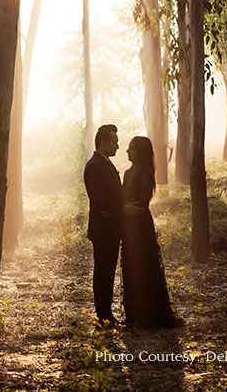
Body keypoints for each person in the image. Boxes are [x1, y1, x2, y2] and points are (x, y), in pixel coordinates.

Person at [120, 136, 183, 329]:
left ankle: (148, 314)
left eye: (131, 149)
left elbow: (141, 203)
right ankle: (134, 314)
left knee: (143, 266)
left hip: (139, 226)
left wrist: (125, 207)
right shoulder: (127, 173)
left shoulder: (145, 173)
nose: (127, 152)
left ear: (141, 152)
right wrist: (122, 207)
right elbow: (121, 198)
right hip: (127, 225)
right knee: (130, 266)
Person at [83, 124, 123, 326]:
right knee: (103, 273)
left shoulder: (104, 162)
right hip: (103, 229)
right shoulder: (95, 165)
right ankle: (103, 316)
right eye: (114, 142)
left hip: (110, 227)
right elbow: (98, 200)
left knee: (107, 272)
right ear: (103, 143)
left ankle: (107, 314)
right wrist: (122, 209)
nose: (117, 145)